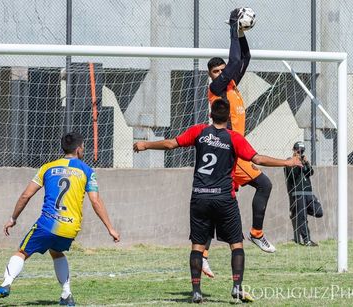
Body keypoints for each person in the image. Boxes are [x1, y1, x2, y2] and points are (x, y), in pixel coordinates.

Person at [133, 98, 302, 303]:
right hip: (224, 198)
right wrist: (288, 162)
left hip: (200, 197)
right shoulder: (234, 138)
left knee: (197, 246)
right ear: (229, 117)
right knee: (236, 245)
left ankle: (196, 291)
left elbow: (170, 144)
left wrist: (144, 144)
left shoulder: (199, 131)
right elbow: (258, 159)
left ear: (210, 115)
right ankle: (237, 287)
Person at [0, 132, 120, 305]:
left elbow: (26, 195)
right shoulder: (87, 171)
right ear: (79, 149)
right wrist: (110, 228)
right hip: (70, 228)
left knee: (22, 252)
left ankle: (5, 284)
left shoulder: (47, 167)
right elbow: (96, 201)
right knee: (56, 252)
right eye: (84, 147)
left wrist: (13, 218)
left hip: (47, 224)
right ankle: (66, 294)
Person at [202, 7, 275, 279]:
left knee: (216, 204)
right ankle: (256, 233)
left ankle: (203, 255)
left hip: (232, 154)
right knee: (264, 184)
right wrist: (233, 27)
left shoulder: (232, 86)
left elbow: (244, 58)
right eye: (216, 71)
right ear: (212, 75)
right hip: (232, 155)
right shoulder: (217, 89)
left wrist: (241, 34)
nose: (221, 73)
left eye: (221, 70)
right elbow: (234, 63)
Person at [284, 141, 323, 246]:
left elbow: (310, 172)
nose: (299, 152)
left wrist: (306, 162)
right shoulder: (289, 161)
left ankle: (299, 211)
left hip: (308, 192)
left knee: (319, 211)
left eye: (301, 151)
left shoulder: (303, 161)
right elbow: (293, 175)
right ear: (293, 150)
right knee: (303, 218)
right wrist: (296, 162)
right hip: (298, 193)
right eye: (298, 150)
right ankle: (307, 240)